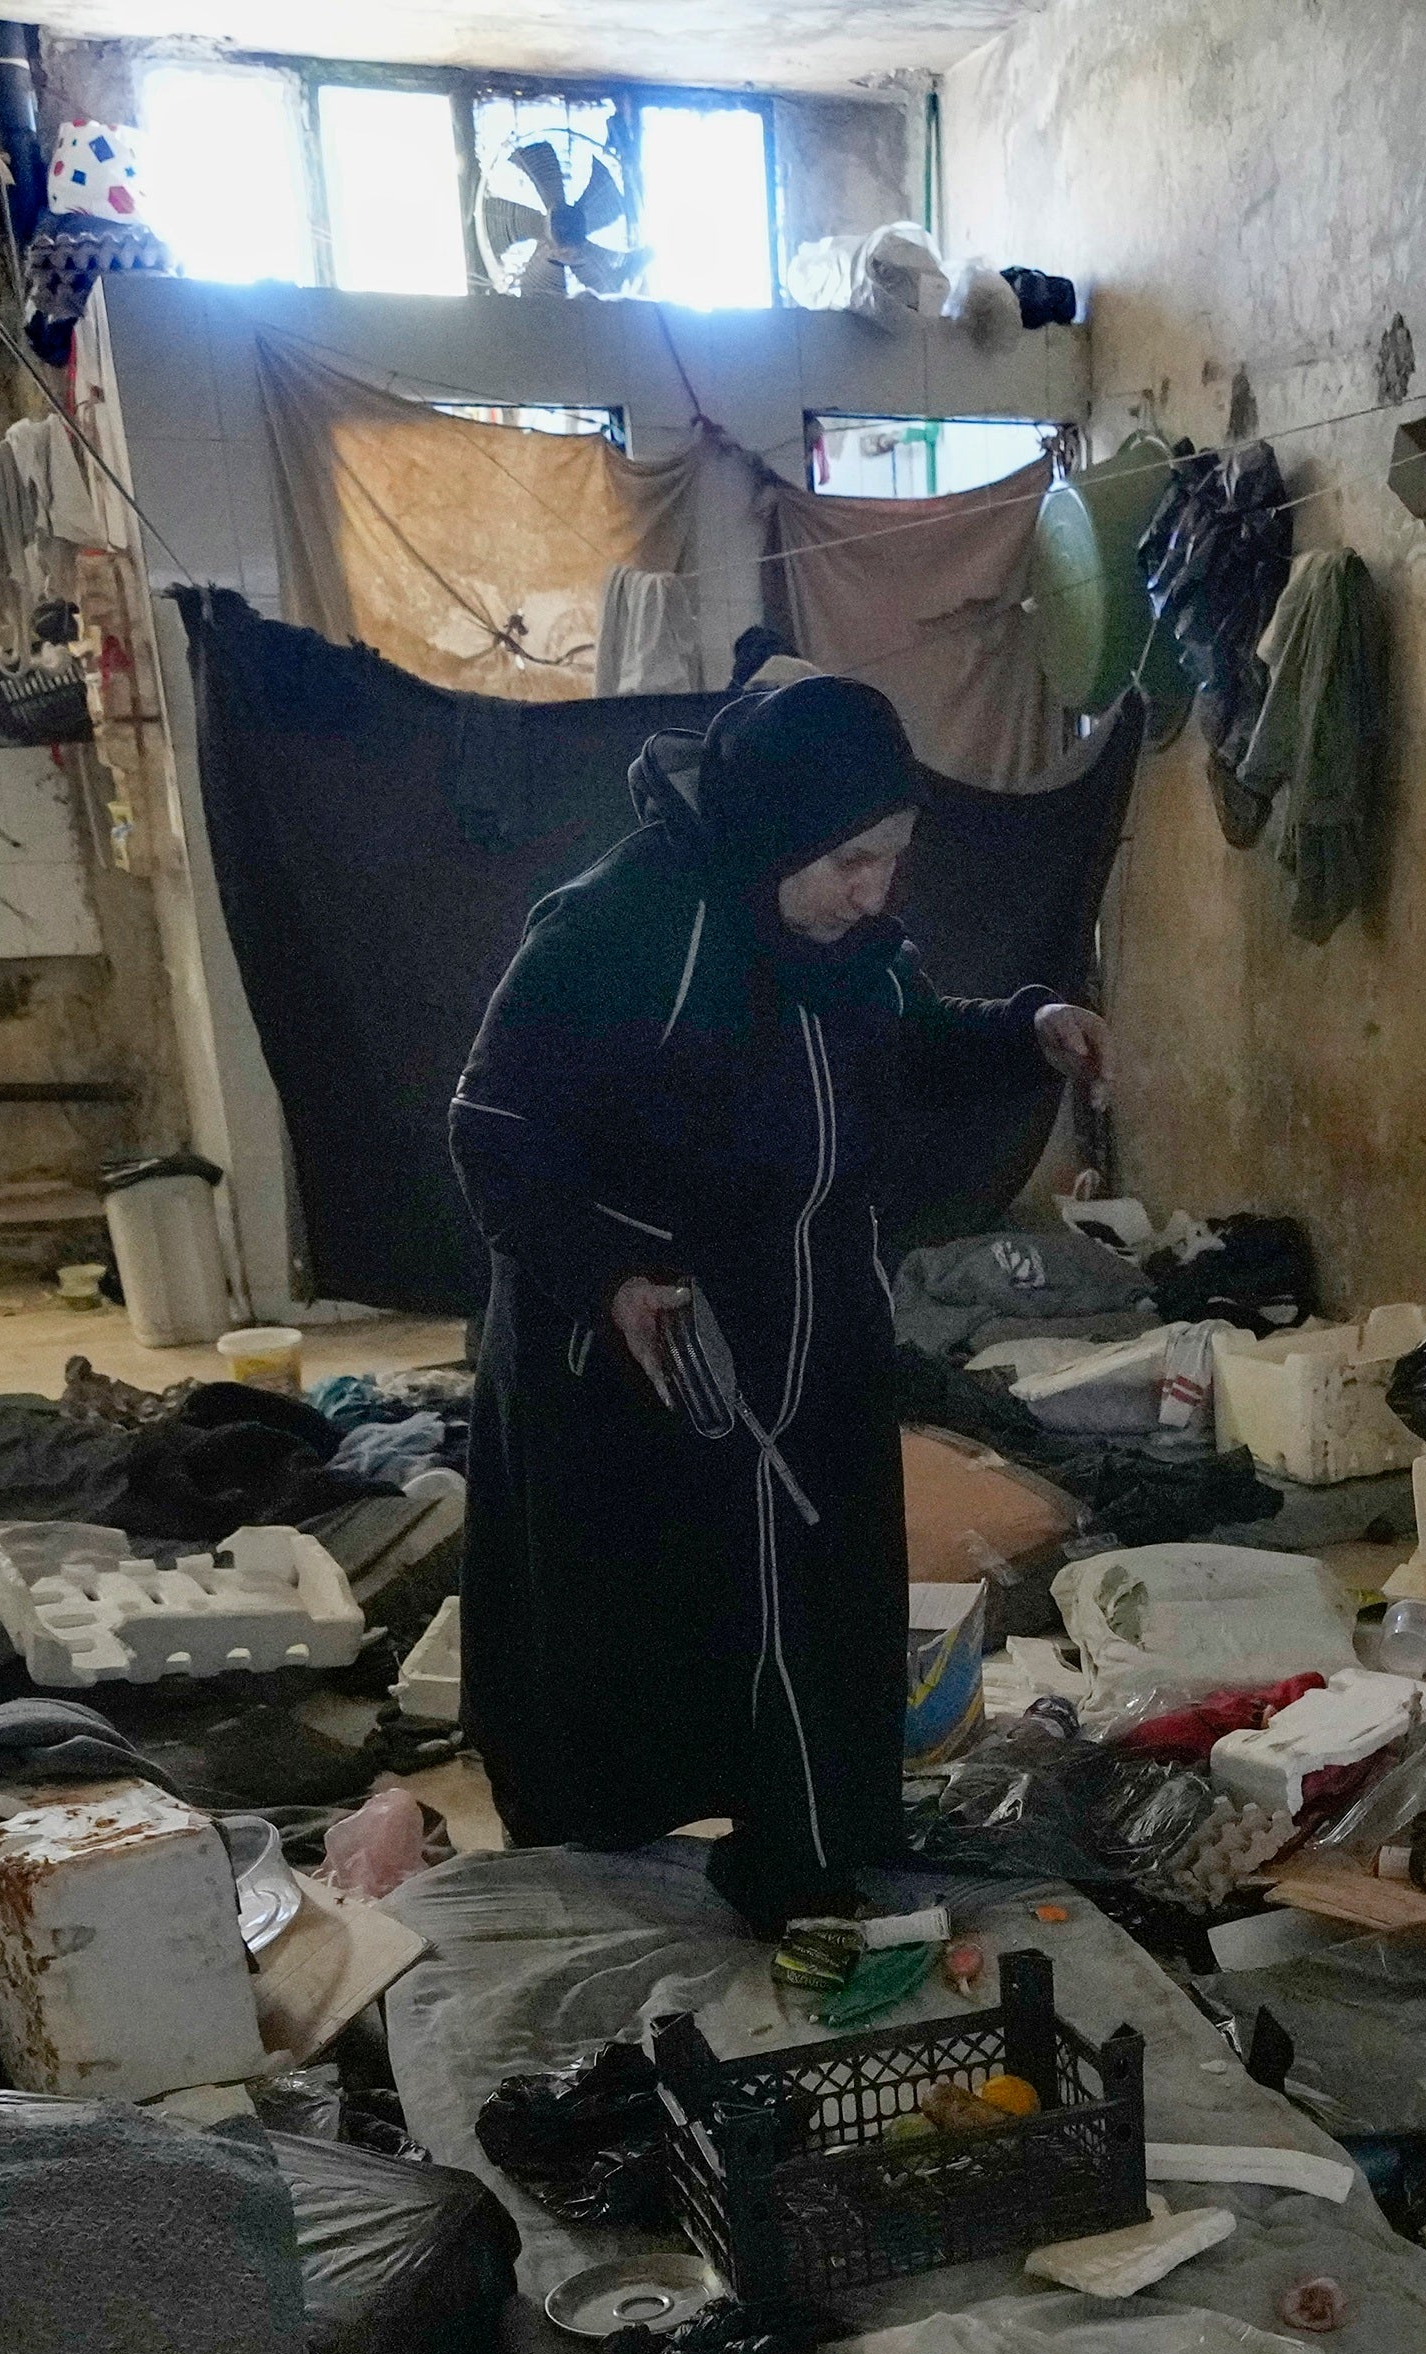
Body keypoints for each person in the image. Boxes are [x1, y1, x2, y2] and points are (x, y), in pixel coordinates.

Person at [445, 673, 1104, 1927]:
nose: (874, 892)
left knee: (821, 1599)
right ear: (770, 831)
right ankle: (601, 1882)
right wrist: (607, 1276)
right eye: (849, 860)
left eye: (892, 861)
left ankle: (807, 1857)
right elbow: (496, 1126)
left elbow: (904, 1040)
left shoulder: (846, 947)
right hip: (649, 1340)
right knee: (642, 1617)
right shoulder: (621, 925)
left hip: (815, 1327)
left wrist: (1031, 1026)